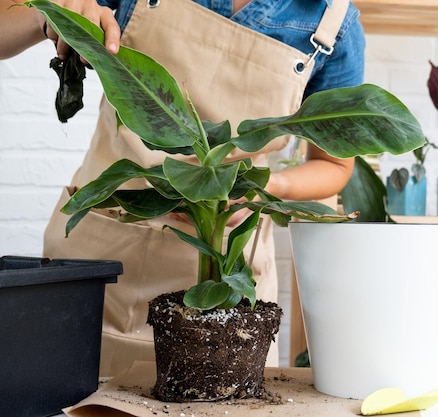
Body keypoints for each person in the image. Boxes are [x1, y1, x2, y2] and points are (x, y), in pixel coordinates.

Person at [1, 0, 365, 377]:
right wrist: (49, 14)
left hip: (227, 291)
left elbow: (335, 163)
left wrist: (267, 185)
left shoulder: (334, 22)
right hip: (101, 267)